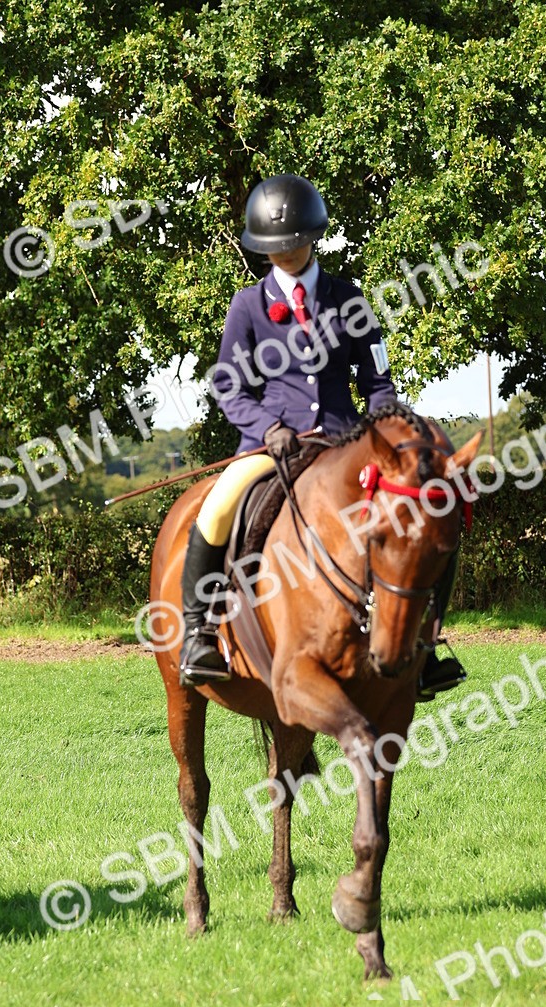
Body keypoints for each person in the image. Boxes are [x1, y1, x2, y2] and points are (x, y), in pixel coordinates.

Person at [180, 174, 463, 697]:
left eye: (293, 243)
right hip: (274, 446)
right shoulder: (247, 305)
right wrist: (269, 428)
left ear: (313, 238)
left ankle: (427, 646)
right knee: (216, 507)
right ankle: (198, 633)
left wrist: (379, 437)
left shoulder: (349, 298)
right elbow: (229, 386)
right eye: (274, 248)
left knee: (426, 514)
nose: (285, 254)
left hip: (346, 443)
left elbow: (377, 383)